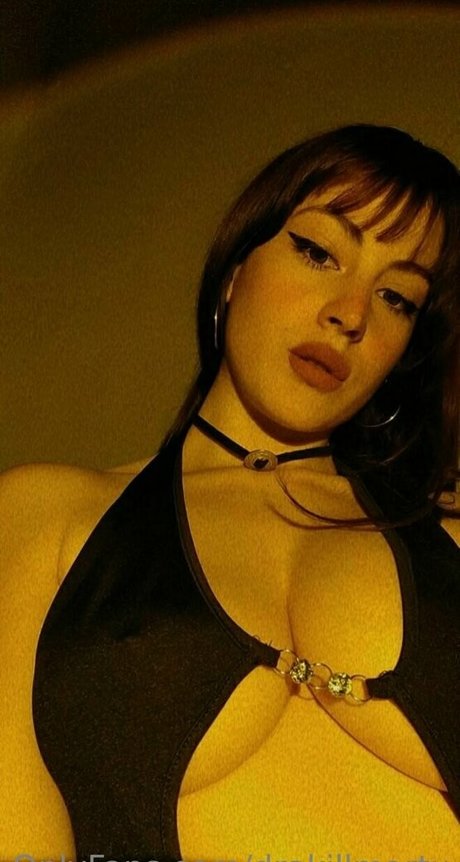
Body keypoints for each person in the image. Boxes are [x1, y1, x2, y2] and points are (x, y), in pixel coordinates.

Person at [1, 124, 459, 862]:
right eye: (318, 252)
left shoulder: (450, 536)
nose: (351, 313)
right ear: (235, 270)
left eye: (397, 297)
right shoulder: (46, 519)